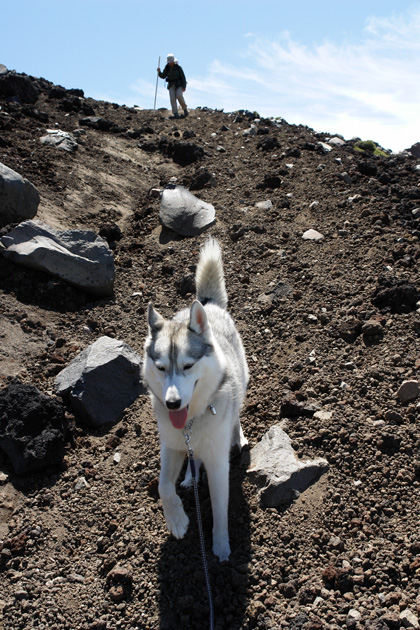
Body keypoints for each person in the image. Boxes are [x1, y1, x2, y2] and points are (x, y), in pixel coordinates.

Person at [157, 54, 188, 118]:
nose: (170, 63)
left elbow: (183, 77)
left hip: (179, 84)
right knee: (172, 98)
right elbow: (163, 76)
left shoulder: (178, 67)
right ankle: (175, 113)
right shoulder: (167, 67)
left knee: (179, 95)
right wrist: (159, 72)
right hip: (171, 85)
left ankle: (185, 109)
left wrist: (184, 86)